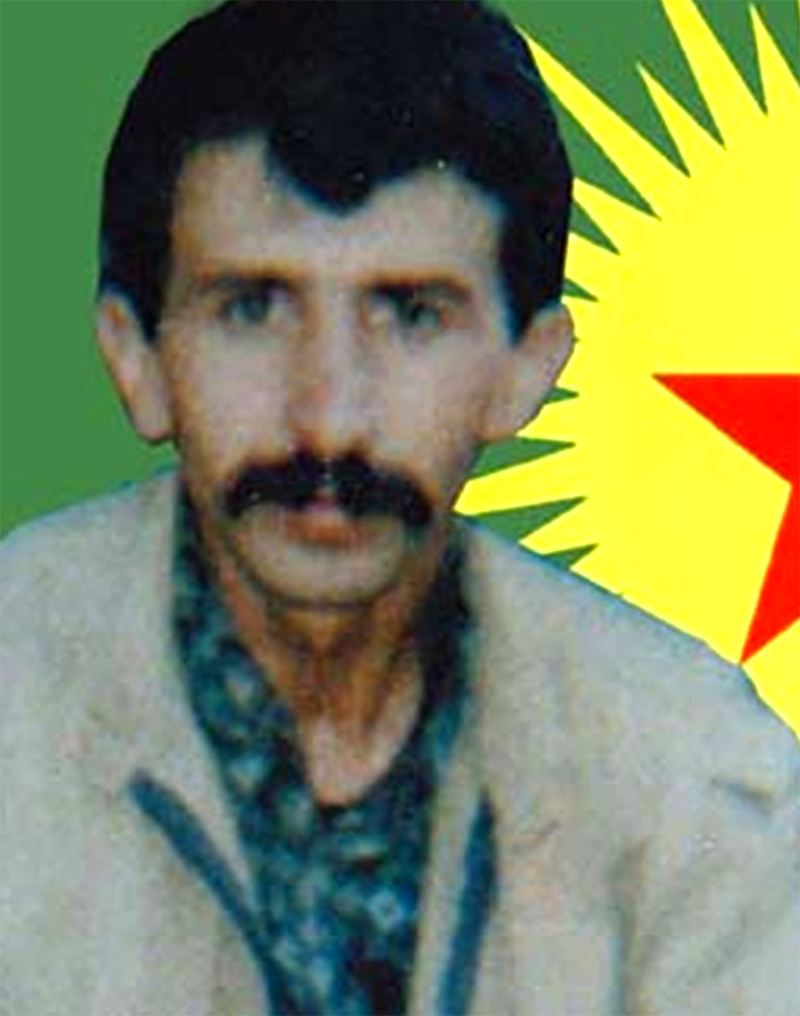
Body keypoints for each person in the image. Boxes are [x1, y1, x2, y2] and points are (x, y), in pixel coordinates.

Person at [1, 1, 797, 1013]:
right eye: (252, 308)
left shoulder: (694, 781)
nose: (328, 417)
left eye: (413, 315)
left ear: (525, 368)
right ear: (137, 359)